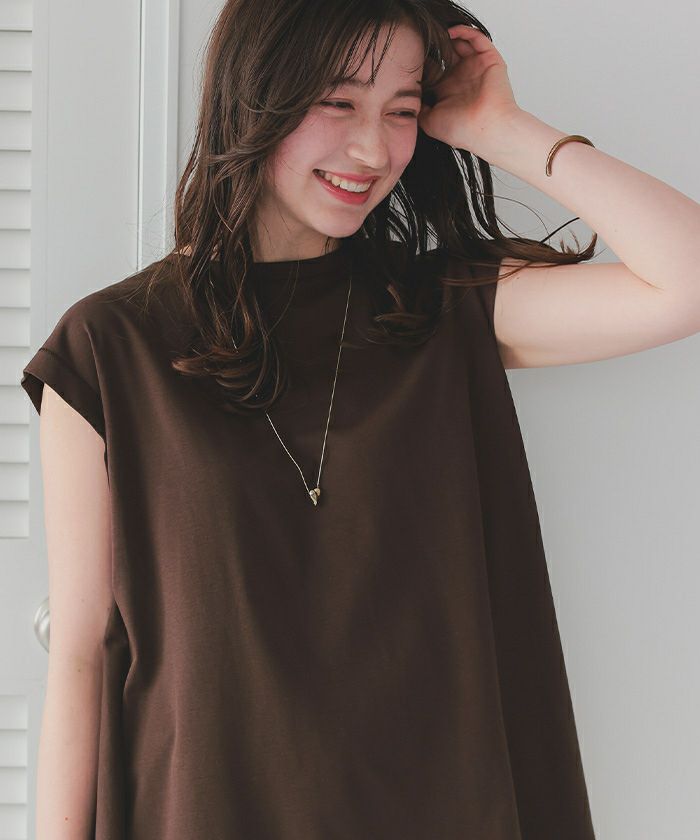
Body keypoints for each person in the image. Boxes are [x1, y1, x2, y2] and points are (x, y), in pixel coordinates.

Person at [21, 1, 700, 838]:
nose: (373, 151)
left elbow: (686, 280)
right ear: (255, 94)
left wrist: (503, 129)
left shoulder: (440, 310)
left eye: (403, 111)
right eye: (338, 102)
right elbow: (82, 653)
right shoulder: (109, 348)